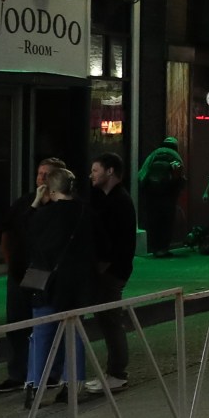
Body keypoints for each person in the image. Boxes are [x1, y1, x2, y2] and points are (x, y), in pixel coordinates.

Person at [20, 165, 100, 400]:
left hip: (47, 282)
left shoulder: (43, 215)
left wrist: (35, 202)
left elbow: (25, 231)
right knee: (75, 334)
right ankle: (73, 384)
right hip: (77, 284)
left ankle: (35, 384)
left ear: (50, 189)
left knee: (41, 333)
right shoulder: (86, 213)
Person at [0, 157, 68, 396]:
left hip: (48, 275)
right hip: (21, 273)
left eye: (48, 175)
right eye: (40, 174)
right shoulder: (24, 203)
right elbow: (8, 231)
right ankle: (18, 372)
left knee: (48, 324)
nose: (42, 179)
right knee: (17, 324)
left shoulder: (61, 207)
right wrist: (11, 262)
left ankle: (50, 372)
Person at [85, 155, 137, 392]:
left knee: (110, 320)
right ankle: (113, 371)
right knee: (106, 320)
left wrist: (104, 267)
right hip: (109, 270)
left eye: (96, 170)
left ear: (110, 171)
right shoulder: (106, 199)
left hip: (111, 271)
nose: (91, 174)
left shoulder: (119, 202)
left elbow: (117, 242)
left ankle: (117, 372)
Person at [138, 135, 184, 257]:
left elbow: (142, 173)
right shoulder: (175, 156)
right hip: (168, 195)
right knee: (166, 223)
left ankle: (155, 248)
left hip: (151, 195)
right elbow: (179, 177)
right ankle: (163, 248)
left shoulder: (154, 154)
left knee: (154, 222)